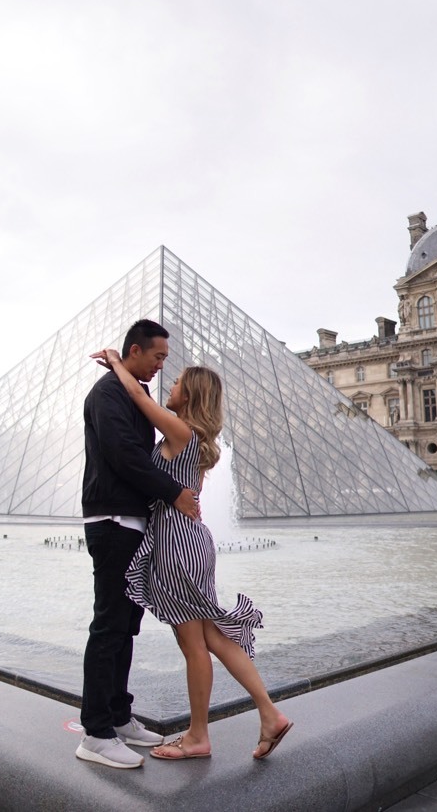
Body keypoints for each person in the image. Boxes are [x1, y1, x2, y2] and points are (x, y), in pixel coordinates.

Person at [94, 349, 293, 762]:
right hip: (194, 540)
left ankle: (199, 736)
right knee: (212, 636)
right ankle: (270, 714)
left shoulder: (181, 432)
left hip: (176, 543)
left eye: (178, 382)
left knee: (194, 644)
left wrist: (118, 363)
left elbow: (137, 397)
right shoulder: (198, 439)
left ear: (190, 396)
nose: (170, 385)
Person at [76, 320, 199, 770]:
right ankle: (95, 731)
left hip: (129, 521)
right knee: (109, 623)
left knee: (126, 623)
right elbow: (124, 454)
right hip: (111, 519)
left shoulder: (127, 391)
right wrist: (173, 491)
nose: (162, 365)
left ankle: (118, 715)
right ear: (135, 351)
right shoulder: (107, 395)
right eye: (158, 357)